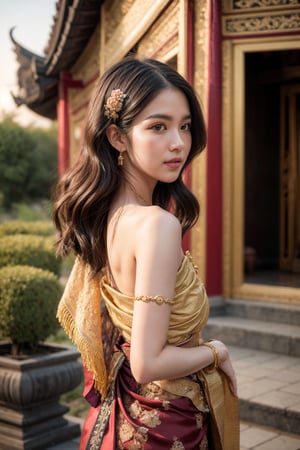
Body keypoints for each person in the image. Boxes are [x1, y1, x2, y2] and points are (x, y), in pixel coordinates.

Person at [54, 57, 239, 450]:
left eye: (185, 126)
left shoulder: (107, 217)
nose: (179, 143)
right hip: (166, 421)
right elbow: (148, 362)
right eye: (158, 126)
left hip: (125, 411)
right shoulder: (157, 225)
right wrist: (215, 351)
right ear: (118, 138)